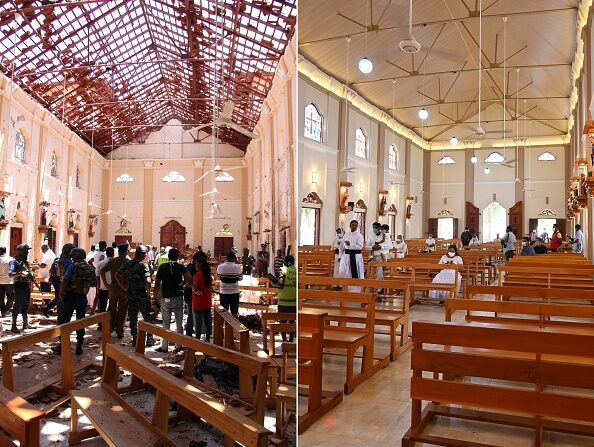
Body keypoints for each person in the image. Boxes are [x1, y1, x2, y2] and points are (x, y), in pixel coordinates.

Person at [51, 248, 95, 355]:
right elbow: (94, 283)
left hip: (70, 296)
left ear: (74, 257)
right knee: (80, 321)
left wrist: (61, 294)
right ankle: (79, 347)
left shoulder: (73, 266)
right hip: (82, 298)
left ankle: (62, 346)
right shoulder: (90, 268)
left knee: (65, 321)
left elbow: (65, 280)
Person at [116, 245, 156, 347]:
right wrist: (148, 294)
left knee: (133, 317)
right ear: (139, 254)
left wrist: (124, 287)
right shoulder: (143, 265)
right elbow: (147, 281)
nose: (144, 255)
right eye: (144, 254)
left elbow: (117, 274)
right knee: (148, 317)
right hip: (141, 295)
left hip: (131, 294)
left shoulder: (128, 263)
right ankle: (150, 339)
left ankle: (135, 338)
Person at [154, 248, 192, 353]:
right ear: (177, 257)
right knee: (179, 322)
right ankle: (178, 345)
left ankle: (164, 347)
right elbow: (189, 278)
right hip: (178, 297)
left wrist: (154, 296)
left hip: (166, 297)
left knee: (166, 322)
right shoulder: (181, 267)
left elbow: (157, 284)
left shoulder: (162, 267)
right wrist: (183, 284)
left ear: (168, 256)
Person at [101, 243, 130, 339]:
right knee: (123, 310)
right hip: (124, 288)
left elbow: (102, 271)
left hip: (113, 287)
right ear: (126, 251)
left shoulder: (113, 261)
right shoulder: (128, 262)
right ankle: (119, 331)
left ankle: (109, 329)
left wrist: (105, 283)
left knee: (111, 308)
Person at [43, 243, 74, 321]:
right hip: (63, 282)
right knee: (61, 300)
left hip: (56, 281)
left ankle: (47, 308)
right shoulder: (69, 262)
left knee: (58, 298)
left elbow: (51, 271)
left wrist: (52, 279)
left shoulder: (57, 258)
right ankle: (60, 318)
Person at [9, 244, 34, 333]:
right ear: (22, 252)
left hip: (26, 286)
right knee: (17, 306)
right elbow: (10, 274)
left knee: (25, 306)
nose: (27, 252)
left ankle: (25, 324)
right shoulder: (14, 261)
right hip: (19, 285)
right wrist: (20, 273)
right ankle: (13, 325)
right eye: (26, 251)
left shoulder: (25, 261)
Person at [338, 220, 364, 292]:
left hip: (356, 256)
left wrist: (350, 245)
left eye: (355, 225)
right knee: (344, 271)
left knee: (355, 273)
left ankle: (355, 290)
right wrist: (340, 256)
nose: (354, 226)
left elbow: (360, 247)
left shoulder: (359, 236)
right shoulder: (346, 235)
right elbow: (341, 246)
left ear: (357, 226)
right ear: (350, 226)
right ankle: (345, 288)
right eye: (352, 225)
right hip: (346, 256)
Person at [91, 247, 114, 331]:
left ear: (106, 253)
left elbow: (97, 276)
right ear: (113, 254)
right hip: (113, 288)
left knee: (102, 307)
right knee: (112, 306)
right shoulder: (114, 262)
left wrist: (99, 286)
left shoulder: (100, 263)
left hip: (102, 288)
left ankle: (101, 325)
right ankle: (111, 324)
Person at [192, 252, 213, 342]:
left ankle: (197, 343)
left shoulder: (197, 275)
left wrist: (191, 286)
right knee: (208, 324)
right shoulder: (208, 276)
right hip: (207, 302)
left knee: (198, 325)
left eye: (196, 264)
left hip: (198, 302)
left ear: (200, 265)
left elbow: (195, 288)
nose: (195, 265)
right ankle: (207, 342)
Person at [276, 255, 296, 342]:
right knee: (292, 321)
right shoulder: (296, 270)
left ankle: (284, 340)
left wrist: (273, 282)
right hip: (294, 301)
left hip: (283, 301)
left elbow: (280, 283)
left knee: (282, 322)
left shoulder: (282, 270)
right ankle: (291, 340)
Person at [217, 251, 243, 317]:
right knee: (234, 312)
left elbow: (219, 278)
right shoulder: (238, 267)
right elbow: (240, 278)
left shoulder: (220, 267)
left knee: (223, 312)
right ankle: (233, 327)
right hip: (234, 292)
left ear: (226, 258)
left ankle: (222, 326)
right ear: (234, 258)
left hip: (224, 292)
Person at [183, 251, 199, 337]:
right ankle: (189, 333)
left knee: (192, 314)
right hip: (190, 294)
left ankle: (190, 329)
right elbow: (188, 282)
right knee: (191, 314)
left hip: (190, 293)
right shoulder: (191, 268)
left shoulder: (192, 267)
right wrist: (194, 287)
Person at [0, 247, 14, 318]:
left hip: (0, 281)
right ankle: (6, 310)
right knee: (11, 296)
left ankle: (3, 311)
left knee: (1, 297)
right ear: (6, 251)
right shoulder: (10, 259)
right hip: (9, 281)